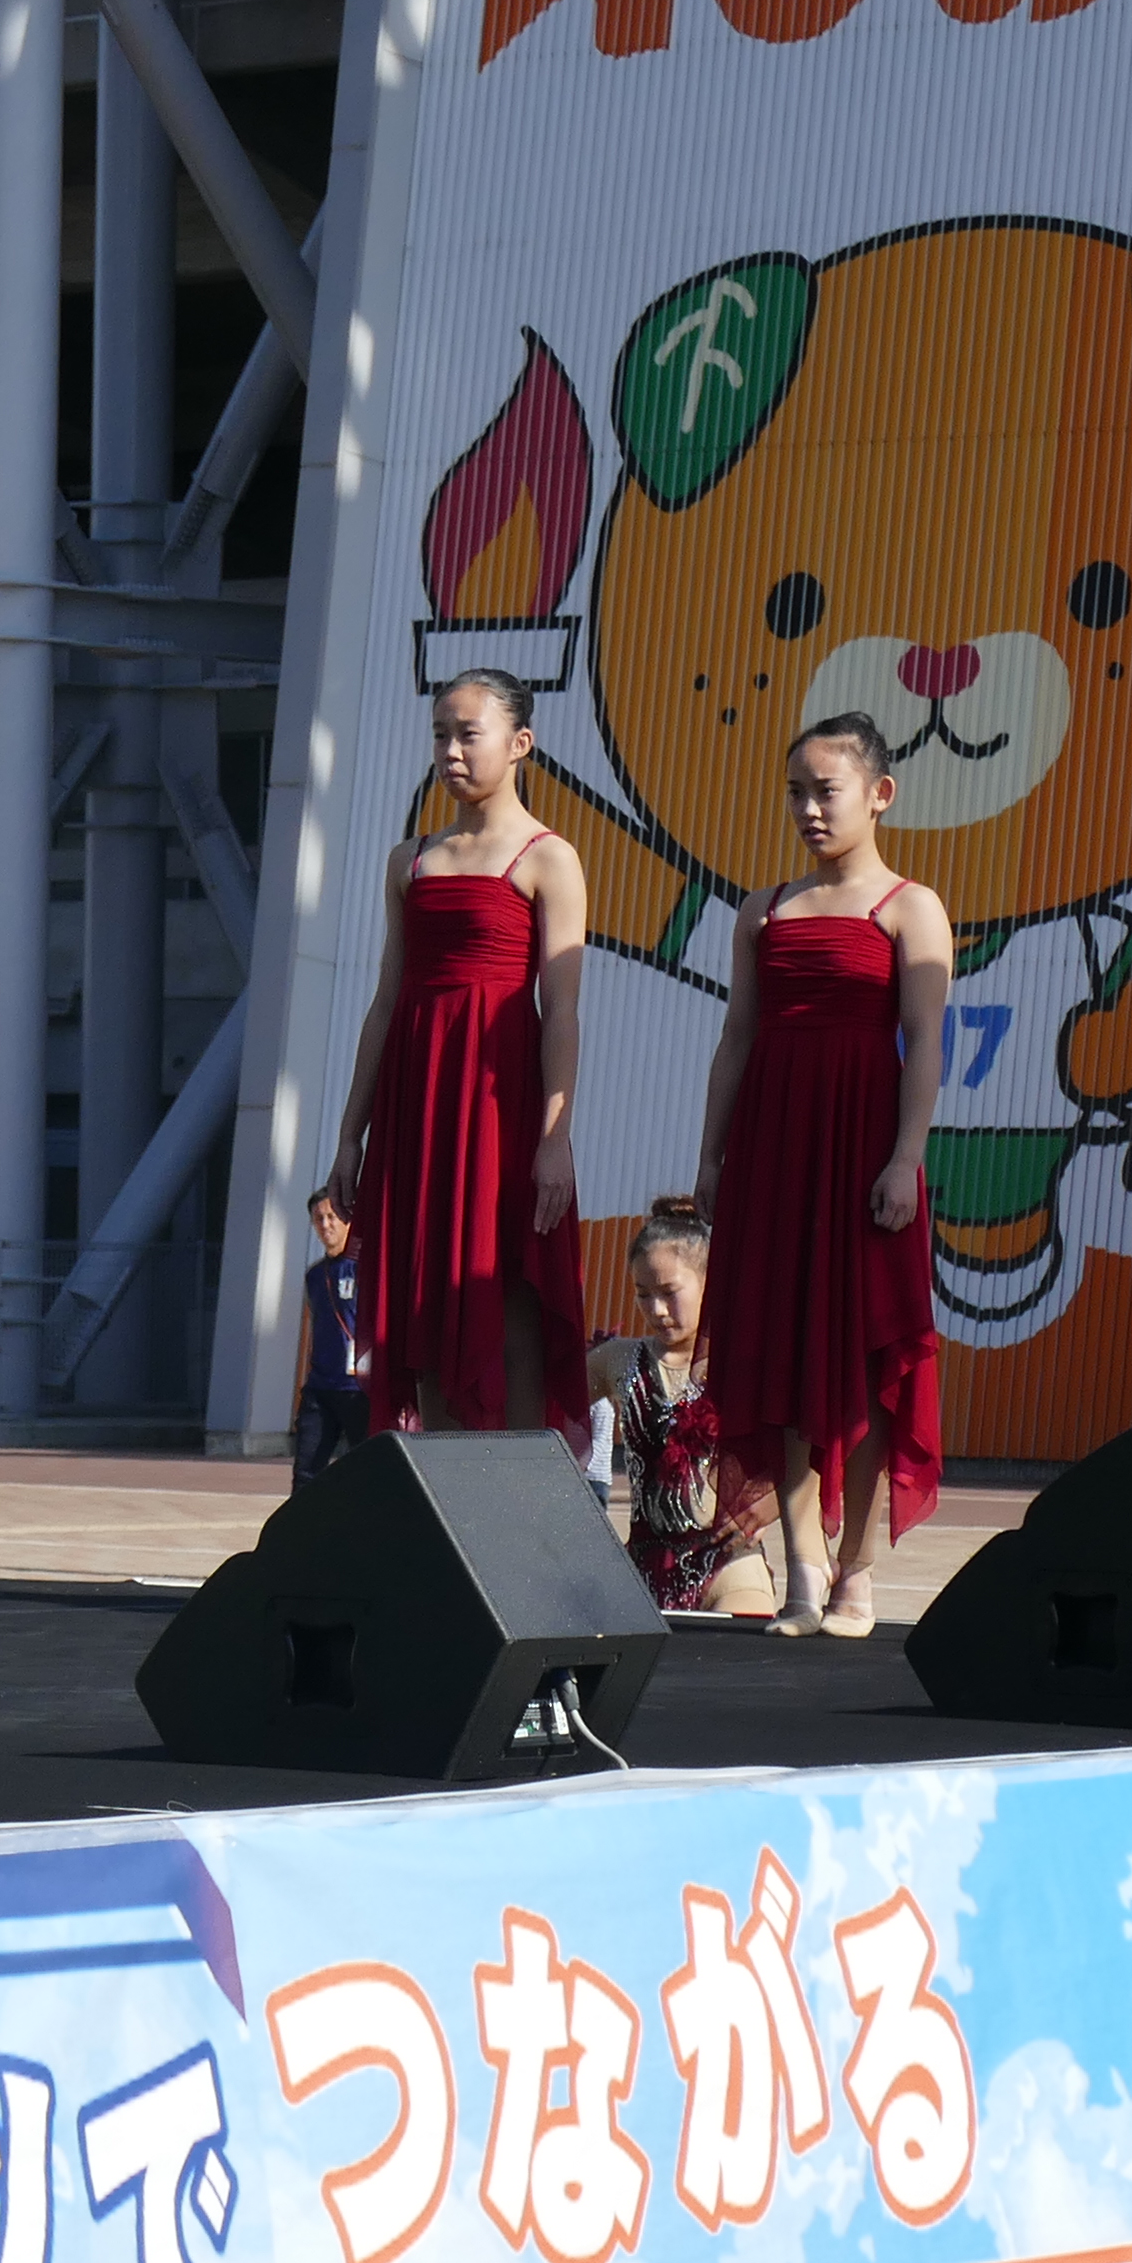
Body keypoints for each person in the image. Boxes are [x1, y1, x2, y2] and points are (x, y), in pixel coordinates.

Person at [693, 714, 949, 1640]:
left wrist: (904, 1159)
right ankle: (801, 1577)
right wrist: (712, 1157)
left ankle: (856, 1577)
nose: (807, 808)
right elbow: (738, 1038)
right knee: (779, 1357)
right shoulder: (761, 910)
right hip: (774, 1153)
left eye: (825, 790)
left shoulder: (909, 908)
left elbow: (923, 1043)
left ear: (879, 795)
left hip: (863, 1155)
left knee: (869, 1361)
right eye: (794, 791)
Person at [318, 668, 589, 1444]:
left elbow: (561, 1009)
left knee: (512, 1299)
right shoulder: (411, 861)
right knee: (423, 1302)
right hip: (418, 1103)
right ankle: (447, 1507)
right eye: (441, 733)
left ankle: (529, 1503)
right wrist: (350, 1133)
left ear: (520, 744)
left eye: (469, 733)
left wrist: (554, 1136)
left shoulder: (548, 858)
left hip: (500, 1107)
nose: (451, 750)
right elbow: (385, 1000)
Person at [590, 1197, 779, 1619]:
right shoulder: (618, 1360)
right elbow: (545, 1403)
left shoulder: (747, 1363)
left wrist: (777, 1498)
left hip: (730, 1567)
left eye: (669, 1293)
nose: (655, 1310)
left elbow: (827, 1437)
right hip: (639, 1569)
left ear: (711, 1283)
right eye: (643, 1294)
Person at [294, 1191, 373, 1483]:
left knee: (367, 1469)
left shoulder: (368, 1266)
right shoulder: (315, 1275)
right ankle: (301, 1528)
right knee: (306, 1470)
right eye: (318, 1219)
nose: (326, 1224)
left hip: (359, 1388)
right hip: (321, 1386)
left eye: (332, 1217)